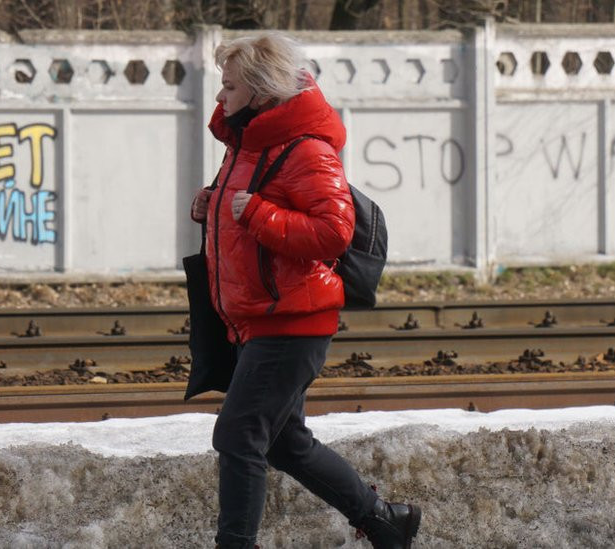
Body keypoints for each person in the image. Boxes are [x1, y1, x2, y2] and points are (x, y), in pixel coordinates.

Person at [190, 33, 421, 549]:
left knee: (238, 435)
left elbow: (332, 232)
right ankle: (385, 521)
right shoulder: (249, 143)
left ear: (260, 90)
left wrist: (253, 212)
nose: (221, 97)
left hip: (293, 320)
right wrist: (213, 207)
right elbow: (248, 212)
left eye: (229, 86)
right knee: (285, 442)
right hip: (262, 317)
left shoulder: (306, 149)